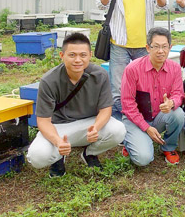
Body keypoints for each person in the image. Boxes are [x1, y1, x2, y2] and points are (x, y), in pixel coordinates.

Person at [27, 33, 126, 177]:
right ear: (62, 55)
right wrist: (57, 141)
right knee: (37, 157)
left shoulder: (100, 75)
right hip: (59, 127)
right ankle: (59, 156)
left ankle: (90, 153)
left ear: (90, 55)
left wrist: (96, 128)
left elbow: (106, 109)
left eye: (83, 55)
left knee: (118, 130)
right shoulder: (49, 81)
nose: (78, 60)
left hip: (88, 124)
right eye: (72, 55)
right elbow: (43, 121)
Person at [96, 0, 168, 121]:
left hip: (145, 45)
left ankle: (143, 120)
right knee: (118, 88)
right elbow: (100, 4)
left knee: (144, 86)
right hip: (119, 44)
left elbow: (165, 4)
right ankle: (120, 124)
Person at [120, 27, 185, 166]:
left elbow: (179, 94)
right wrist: (146, 128)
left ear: (170, 47)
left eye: (164, 46)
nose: (160, 51)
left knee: (178, 114)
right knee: (143, 159)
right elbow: (127, 103)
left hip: (158, 117)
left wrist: (172, 103)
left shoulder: (174, 68)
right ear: (148, 48)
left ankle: (168, 147)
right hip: (136, 119)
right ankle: (131, 140)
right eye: (156, 46)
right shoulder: (132, 69)